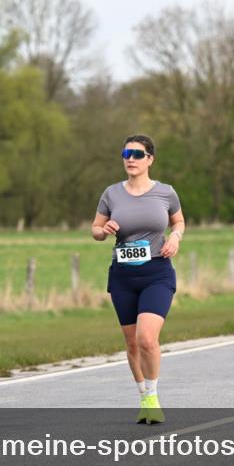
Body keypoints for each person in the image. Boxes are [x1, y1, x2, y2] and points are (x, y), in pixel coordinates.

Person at [92, 135, 184, 424]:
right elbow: (94, 229)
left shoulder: (166, 193)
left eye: (137, 154)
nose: (130, 158)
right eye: (126, 153)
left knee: (147, 338)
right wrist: (104, 230)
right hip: (123, 275)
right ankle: (143, 396)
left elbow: (178, 221)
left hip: (157, 272)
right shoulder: (111, 193)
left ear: (150, 159)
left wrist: (176, 237)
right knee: (131, 343)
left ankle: (154, 396)